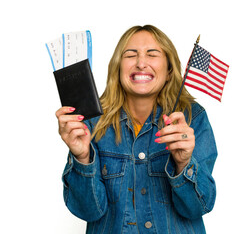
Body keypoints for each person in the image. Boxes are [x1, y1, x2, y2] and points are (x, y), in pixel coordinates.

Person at [56, 25, 217, 234]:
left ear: (169, 70)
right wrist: (82, 158)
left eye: (152, 54)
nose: (141, 63)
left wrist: (184, 163)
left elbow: (199, 207)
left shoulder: (192, 118)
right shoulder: (92, 123)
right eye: (131, 55)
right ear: (118, 69)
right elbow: (89, 211)